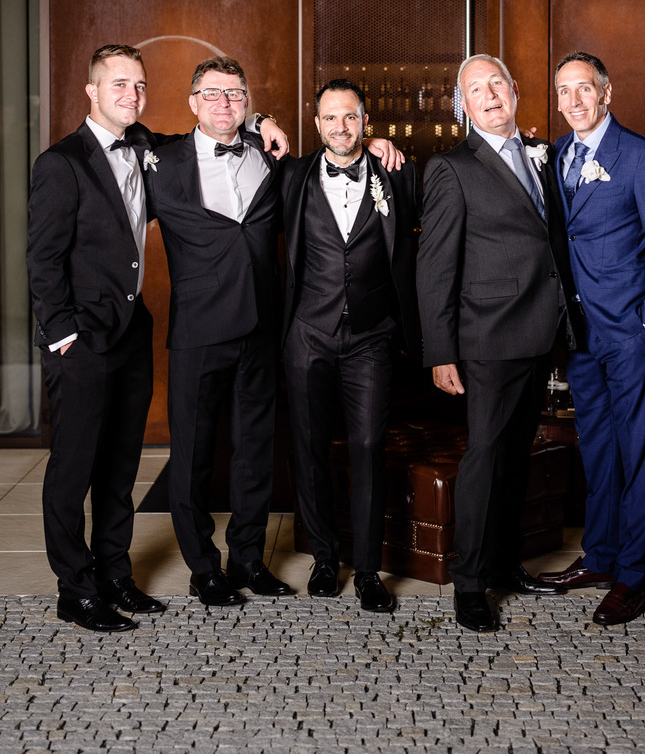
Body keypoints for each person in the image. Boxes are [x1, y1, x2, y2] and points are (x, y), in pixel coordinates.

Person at [146, 58, 401, 607]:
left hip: (264, 332)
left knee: (256, 452)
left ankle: (248, 559)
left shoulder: (274, 159)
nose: (224, 105)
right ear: (192, 102)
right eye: (212, 95)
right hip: (200, 330)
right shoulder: (162, 161)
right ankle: (204, 568)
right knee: (193, 457)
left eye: (236, 96)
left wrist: (268, 123)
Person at [416, 54, 579, 633]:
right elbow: (434, 268)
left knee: (515, 457)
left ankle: (507, 564)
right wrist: (440, 351)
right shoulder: (451, 168)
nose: (488, 95)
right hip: (486, 336)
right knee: (485, 458)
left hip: (539, 332)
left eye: (496, 84)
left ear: (514, 89)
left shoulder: (543, 156)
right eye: (474, 89)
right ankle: (470, 582)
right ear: (463, 105)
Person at [537, 52, 645, 625]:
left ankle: (632, 575)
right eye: (563, 92)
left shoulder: (639, 156)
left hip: (630, 332)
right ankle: (598, 557)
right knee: (596, 447)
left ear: (607, 94)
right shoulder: (555, 158)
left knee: (639, 448)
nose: (573, 102)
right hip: (579, 333)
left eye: (584, 90)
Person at [26, 44, 165, 631]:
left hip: (132, 334)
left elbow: (205, 143)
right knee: (73, 468)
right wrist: (62, 338)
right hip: (80, 340)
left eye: (138, 85)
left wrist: (261, 125)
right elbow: (43, 259)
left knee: (120, 465)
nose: (131, 95)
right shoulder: (61, 163)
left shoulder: (146, 146)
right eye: (119, 85)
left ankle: (114, 575)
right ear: (92, 90)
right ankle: (75, 590)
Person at [281, 79, 420, 613]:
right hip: (307, 333)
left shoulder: (397, 173)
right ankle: (323, 557)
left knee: (367, 448)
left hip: (372, 336)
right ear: (316, 125)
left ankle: (366, 570)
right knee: (310, 448)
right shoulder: (292, 176)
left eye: (350, 118)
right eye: (330, 119)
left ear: (365, 122)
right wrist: (263, 120)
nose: (341, 127)